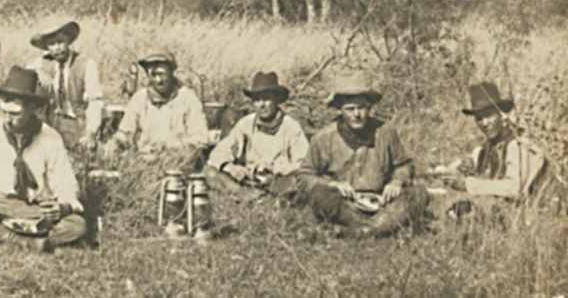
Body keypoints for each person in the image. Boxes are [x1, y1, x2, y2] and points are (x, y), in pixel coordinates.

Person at [0, 66, 88, 253]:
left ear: (31, 108)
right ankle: (22, 242)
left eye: (15, 114)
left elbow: (65, 184)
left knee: (77, 224)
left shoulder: (50, 137)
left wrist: (62, 207)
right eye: (5, 113)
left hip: (35, 211)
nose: (8, 120)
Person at [297, 73, 428, 238]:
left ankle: (362, 231)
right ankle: (380, 229)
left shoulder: (386, 132)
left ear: (370, 108)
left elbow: (404, 164)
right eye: (350, 109)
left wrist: (396, 181)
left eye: (362, 108)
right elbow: (304, 175)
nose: (357, 114)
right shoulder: (323, 138)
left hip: (382, 203)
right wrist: (333, 184)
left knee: (418, 193)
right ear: (340, 110)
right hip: (346, 205)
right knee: (320, 195)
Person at [433, 81, 550, 219]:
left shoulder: (517, 145)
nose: (484, 123)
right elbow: (476, 160)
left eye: (488, 115)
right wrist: (452, 170)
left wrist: (468, 185)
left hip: (535, 216)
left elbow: (514, 188)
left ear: (501, 114)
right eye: (479, 118)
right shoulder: (489, 146)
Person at [207, 72, 310, 200]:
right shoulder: (246, 123)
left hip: (277, 181)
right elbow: (218, 153)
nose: (261, 105)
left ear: (276, 100)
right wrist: (230, 167)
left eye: (266, 99)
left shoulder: (291, 126)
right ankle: (244, 194)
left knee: (300, 183)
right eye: (257, 100)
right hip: (248, 179)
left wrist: (274, 169)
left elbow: (305, 165)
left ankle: (262, 197)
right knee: (209, 172)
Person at [108, 51, 208, 166]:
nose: (158, 80)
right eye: (153, 75)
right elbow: (125, 132)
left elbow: (201, 140)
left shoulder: (188, 98)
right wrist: (116, 143)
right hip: (144, 162)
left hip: (178, 164)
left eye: (162, 74)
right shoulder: (140, 99)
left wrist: (169, 146)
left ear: (171, 73)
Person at [25, 20, 104, 151]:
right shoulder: (42, 63)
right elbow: (23, 73)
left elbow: (95, 102)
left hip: (78, 122)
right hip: (51, 120)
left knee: (83, 152)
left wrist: (91, 132)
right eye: (52, 44)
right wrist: (38, 73)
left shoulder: (86, 64)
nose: (57, 48)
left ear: (68, 41)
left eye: (60, 42)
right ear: (46, 47)